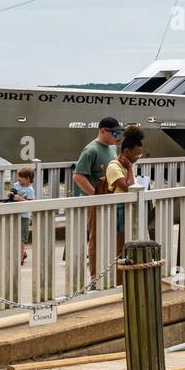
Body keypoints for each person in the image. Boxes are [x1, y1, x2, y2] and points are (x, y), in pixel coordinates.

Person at [72, 116, 121, 277]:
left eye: (118, 133)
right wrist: (95, 194)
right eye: (114, 133)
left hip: (112, 200)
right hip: (98, 201)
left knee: (114, 236)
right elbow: (78, 176)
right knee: (96, 238)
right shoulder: (91, 150)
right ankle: (95, 276)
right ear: (102, 131)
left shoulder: (113, 148)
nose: (117, 136)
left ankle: (112, 272)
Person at [105, 125, 146, 255]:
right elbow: (129, 188)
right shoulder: (113, 167)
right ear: (126, 152)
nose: (138, 157)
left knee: (129, 243)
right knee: (120, 245)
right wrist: (129, 168)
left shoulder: (126, 167)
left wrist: (129, 167)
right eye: (136, 154)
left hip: (128, 209)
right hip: (119, 209)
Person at [8, 166, 36, 265]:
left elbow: (30, 203)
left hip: (24, 216)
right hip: (14, 214)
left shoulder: (30, 190)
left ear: (27, 178)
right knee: (13, 235)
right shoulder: (16, 185)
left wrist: (20, 198)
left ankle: (20, 257)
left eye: (20, 178)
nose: (18, 179)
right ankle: (21, 253)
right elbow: (12, 194)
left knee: (22, 237)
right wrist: (11, 195)